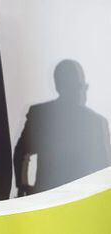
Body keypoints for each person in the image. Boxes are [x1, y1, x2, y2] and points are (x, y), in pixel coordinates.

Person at [14, 59, 111, 197]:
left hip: (67, 199)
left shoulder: (41, 115)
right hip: (63, 200)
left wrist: (22, 186)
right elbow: (20, 152)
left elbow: (103, 169)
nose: (80, 93)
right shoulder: (94, 122)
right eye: (77, 87)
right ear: (61, 87)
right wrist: (22, 185)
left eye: (80, 87)